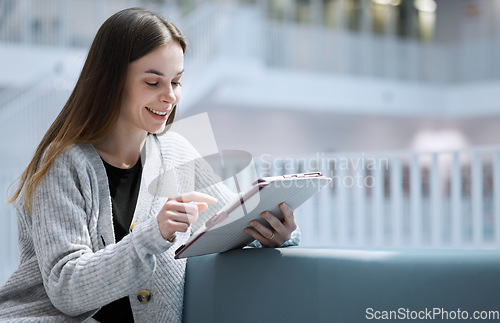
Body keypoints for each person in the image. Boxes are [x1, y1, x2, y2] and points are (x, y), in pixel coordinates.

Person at [0, 7, 300, 322]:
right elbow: (68, 290)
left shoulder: (178, 151)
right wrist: (154, 233)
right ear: (112, 81)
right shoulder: (63, 165)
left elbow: (231, 223)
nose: (170, 96)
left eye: (176, 81)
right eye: (153, 82)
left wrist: (274, 230)